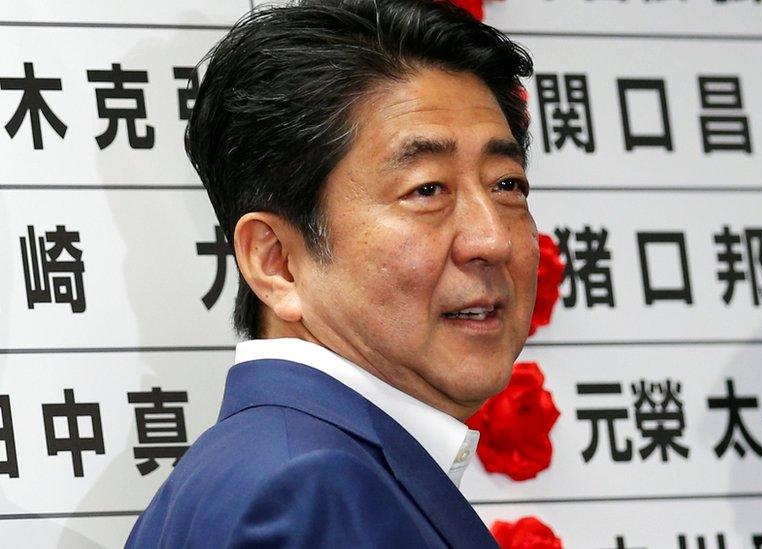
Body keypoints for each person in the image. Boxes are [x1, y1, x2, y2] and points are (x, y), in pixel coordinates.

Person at [125, 0, 537, 547]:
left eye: (506, 185)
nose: (493, 239)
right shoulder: (306, 491)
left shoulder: (293, 460)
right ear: (276, 262)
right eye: (427, 189)